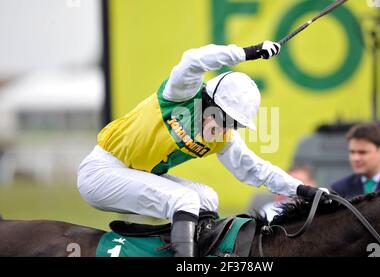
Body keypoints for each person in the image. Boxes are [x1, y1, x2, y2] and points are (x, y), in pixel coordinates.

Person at [77, 40, 329, 257]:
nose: (226, 128)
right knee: (184, 199)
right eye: (225, 119)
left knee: (208, 198)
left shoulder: (221, 138)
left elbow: (258, 171)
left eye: (235, 124)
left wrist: (305, 190)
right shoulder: (179, 95)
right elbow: (193, 59)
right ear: (209, 101)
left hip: (135, 175)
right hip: (101, 172)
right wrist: (248, 52)